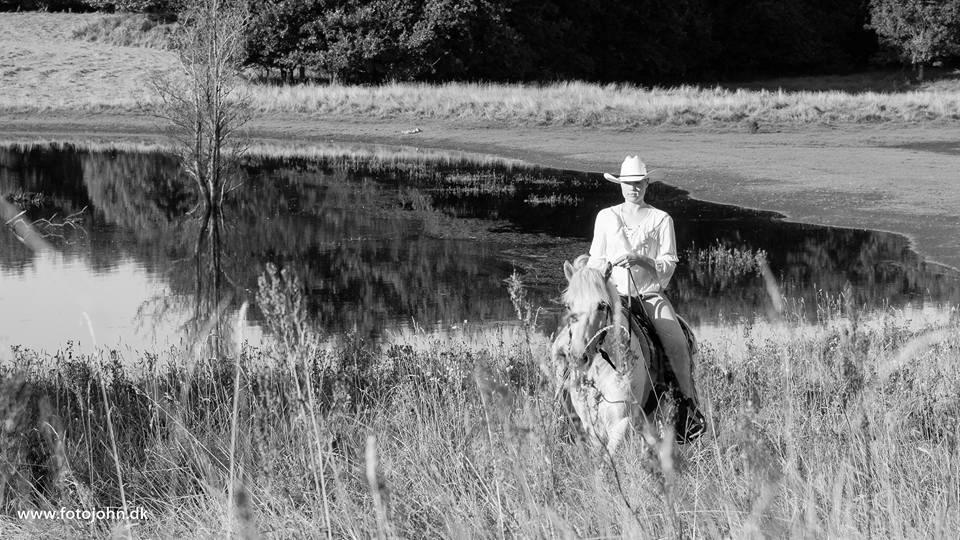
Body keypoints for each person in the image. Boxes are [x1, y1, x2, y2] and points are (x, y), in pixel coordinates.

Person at [587, 155, 705, 443]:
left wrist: (640, 259)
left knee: (676, 342)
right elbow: (595, 258)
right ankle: (570, 395)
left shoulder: (661, 219)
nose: (633, 188)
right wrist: (597, 275)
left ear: (647, 183)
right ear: (621, 185)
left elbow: (668, 264)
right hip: (614, 296)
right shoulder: (606, 217)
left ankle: (687, 409)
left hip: (649, 294)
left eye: (638, 183)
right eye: (628, 184)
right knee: (581, 332)